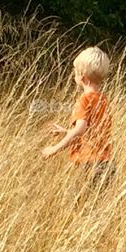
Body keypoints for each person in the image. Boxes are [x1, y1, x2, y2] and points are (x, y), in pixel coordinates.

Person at [42, 45, 113, 185]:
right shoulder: (103, 100)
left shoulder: (84, 100)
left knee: (80, 198)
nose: (74, 74)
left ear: (82, 77)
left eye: (75, 71)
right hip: (106, 162)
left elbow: (80, 130)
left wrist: (54, 149)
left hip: (88, 163)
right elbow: (92, 132)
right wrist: (66, 131)